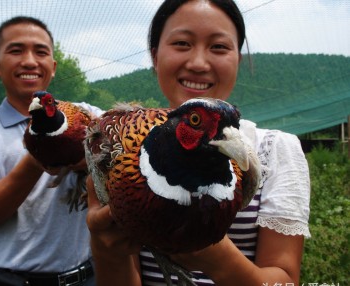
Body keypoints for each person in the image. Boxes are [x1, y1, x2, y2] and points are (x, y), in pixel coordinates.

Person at [86, 0, 311, 285]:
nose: (198, 63)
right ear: (155, 56)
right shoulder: (121, 147)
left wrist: (208, 251)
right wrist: (107, 248)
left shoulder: (275, 151)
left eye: (218, 47)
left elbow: (285, 281)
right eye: (182, 43)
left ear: (237, 59)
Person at [0, 16, 101, 286]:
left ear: (53, 67)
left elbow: (123, 149)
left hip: (86, 278)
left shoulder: (85, 114)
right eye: (16, 50)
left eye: (41, 52)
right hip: (15, 280)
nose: (30, 61)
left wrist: (87, 157)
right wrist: (37, 158)